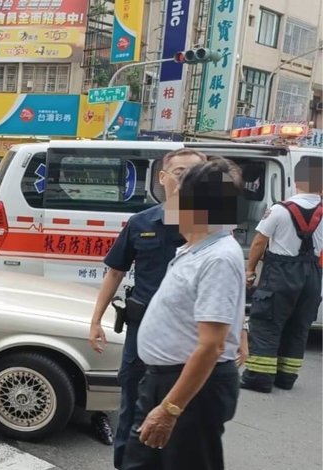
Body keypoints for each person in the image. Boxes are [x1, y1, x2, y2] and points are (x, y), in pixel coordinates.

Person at [121, 157, 246, 470]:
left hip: (190, 388)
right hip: (163, 379)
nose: (172, 203)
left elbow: (211, 345)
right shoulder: (194, 249)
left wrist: (170, 409)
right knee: (138, 461)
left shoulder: (218, 257)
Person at [88, 148, 208, 462]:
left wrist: (242, 331)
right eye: (180, 172)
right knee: (132, 405)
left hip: (190, 337)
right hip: (142, 334)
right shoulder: (142, 222)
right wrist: (95, 321)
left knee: (180, 410)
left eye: (195, 173)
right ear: (163, 177)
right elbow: (115, 271)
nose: (186, 179)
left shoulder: (211, 229)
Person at [241, 156, 322, 393]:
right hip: (312, 275)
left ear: (297, 180)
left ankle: (259, 378)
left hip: (281, 272)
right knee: (299, 325)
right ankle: (286, 377)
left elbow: (258, 242)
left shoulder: (279, 210)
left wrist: (250, 270)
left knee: (267, 322)